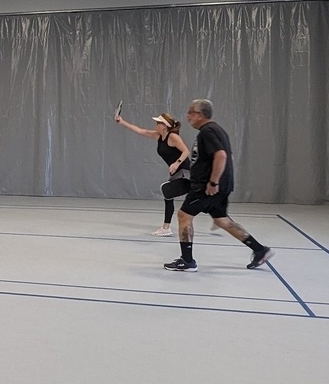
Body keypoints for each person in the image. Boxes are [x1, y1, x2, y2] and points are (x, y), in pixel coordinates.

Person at [164, 98, 273, 272]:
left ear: (200, 114)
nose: (188, 116)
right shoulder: (216, 130)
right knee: (222, 221)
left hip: (207, 187)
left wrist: (213, 182)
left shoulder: (208, 132)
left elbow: (221, 156)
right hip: (220, 187)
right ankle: (260, 250)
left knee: (184, 215)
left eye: (191, 112)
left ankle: (187, 261)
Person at [114, 109, 190, 236]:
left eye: (158, 123)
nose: (156, 125)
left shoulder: (173, 137)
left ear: (164, 126)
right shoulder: (159, 136)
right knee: (170, 195)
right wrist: (122, 122)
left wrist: (176, 163)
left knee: (167, 190)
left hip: (186, 172)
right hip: (176, 173)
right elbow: (140, 131)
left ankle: (166, 227)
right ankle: (166, 228)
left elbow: (186, 151)